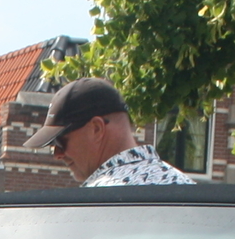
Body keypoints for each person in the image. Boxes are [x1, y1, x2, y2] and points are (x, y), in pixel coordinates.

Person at [26, 77, 197, 186]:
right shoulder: (185, 186)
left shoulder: (98, 200)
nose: (57, 154)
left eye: (61, 141)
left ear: (97, 129)